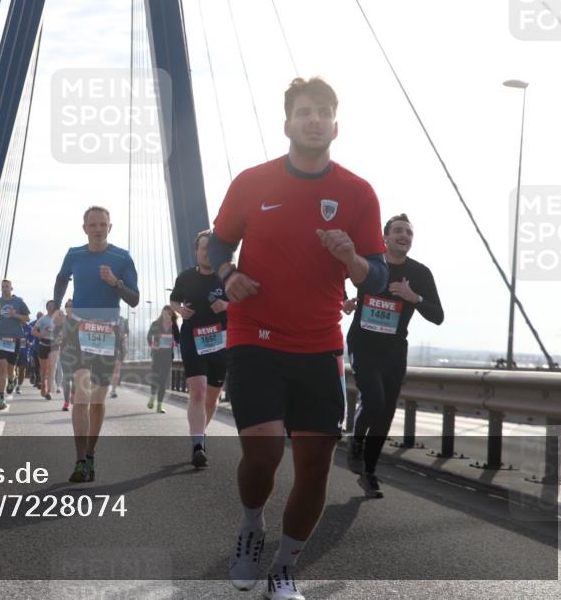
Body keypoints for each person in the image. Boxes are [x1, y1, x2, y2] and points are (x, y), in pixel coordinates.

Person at [209, 78, 388, 598]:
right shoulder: (251, 182)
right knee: (263, 456)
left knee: (314, 468)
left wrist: (351, 258)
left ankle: (284, 567)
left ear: (336, 125)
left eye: (324, 112)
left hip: (319, 343)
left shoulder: (358, 192)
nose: (314, 120)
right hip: (255, 338)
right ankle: (250, 525)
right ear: (287, 123)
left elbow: (374, 275)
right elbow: (219, 243)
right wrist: (227, 276)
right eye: (304, 112)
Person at [345, 214, 444, 498]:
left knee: (386, 411)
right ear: (384, 237)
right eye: (398, 231)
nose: (404, 236)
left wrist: (415, 298)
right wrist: (343, 299)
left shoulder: (420, 273)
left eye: (409, 233)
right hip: (363, 342)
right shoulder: (369, 262)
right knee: (373, 398)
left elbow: (438, 315)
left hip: (394, 349)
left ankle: (369, 473)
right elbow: (335, 272)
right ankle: (355, 442)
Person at [53, 206, 138, 482]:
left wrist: (116, 283)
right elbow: (61, 278)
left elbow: (134, 298)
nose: (98, 229)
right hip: (78, 328)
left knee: (98, 401)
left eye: (103, 224)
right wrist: (56, 306)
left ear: (110, 227)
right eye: (93, 225)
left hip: (107, 332)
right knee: (81, 394)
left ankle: (90, 454)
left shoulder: (122, 257)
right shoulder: (74, 254)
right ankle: (79, 460)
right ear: (85, 228)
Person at [169, 229, 229, 468]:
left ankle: (200, 432)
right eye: (203, 248)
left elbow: (247, 305)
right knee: (198, 390)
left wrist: (227, 306)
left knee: (212, 396)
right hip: (192, 339)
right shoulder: (185, 277)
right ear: (196, 251)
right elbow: (174, 299)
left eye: (211, 249)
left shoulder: (228, 278)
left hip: (220, 342)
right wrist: (178, 309)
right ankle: (197, 445)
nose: (207, 253)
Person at [0, 279, 30, 408]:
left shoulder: (18, 301)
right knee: (2, 367)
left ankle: (11, 380)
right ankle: (1, 398)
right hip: (1, 339)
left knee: (11, 369)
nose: (5, 288)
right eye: (3, 287)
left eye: (7, 286)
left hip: (14, 339)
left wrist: (15, 315)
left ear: (11, 288)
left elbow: (27, 318)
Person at [145, 306, 178, 414]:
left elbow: (178, 338)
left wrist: (174, 342)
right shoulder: (155, 324)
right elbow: (149, 337)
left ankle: (159, 405)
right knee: (155, 377)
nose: (167, 315)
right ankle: (152, 397)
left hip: (168, 356)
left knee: (163, 380)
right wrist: (152, 344)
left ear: (172, 315)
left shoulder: (174, 326)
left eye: (169, 314)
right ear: (162, 313)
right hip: (157, 354)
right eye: (165, 313)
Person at [32, 301, 57, 400]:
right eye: (49, 306)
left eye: (52, 306)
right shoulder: (43, 319)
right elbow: (33, 331)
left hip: (54, 345)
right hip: (43, 344)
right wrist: (42, 334)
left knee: (51, 368)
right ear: (46, 308)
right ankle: (43, 385)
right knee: (44, 369)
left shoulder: (58, 319)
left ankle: (48, 391)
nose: (51, 308)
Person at [58, 299, 74, 410]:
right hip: (65, 352)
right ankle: (66, 402)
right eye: (68, 306)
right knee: (67, 377)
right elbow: (59, 333)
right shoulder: (62, 320)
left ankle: (73, 394)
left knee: (76, 378)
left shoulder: (80, 320)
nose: (70, 307)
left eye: (72, 306)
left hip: (78, 353)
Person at [108, 315, 129, 397]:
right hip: (108, 347)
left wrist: (124, 335)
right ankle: (105, 386)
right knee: (109, 369)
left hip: (119, 347)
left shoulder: (124, 320)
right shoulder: (107, 318)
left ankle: (113, 390)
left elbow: (127, 332)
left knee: (116, 369)